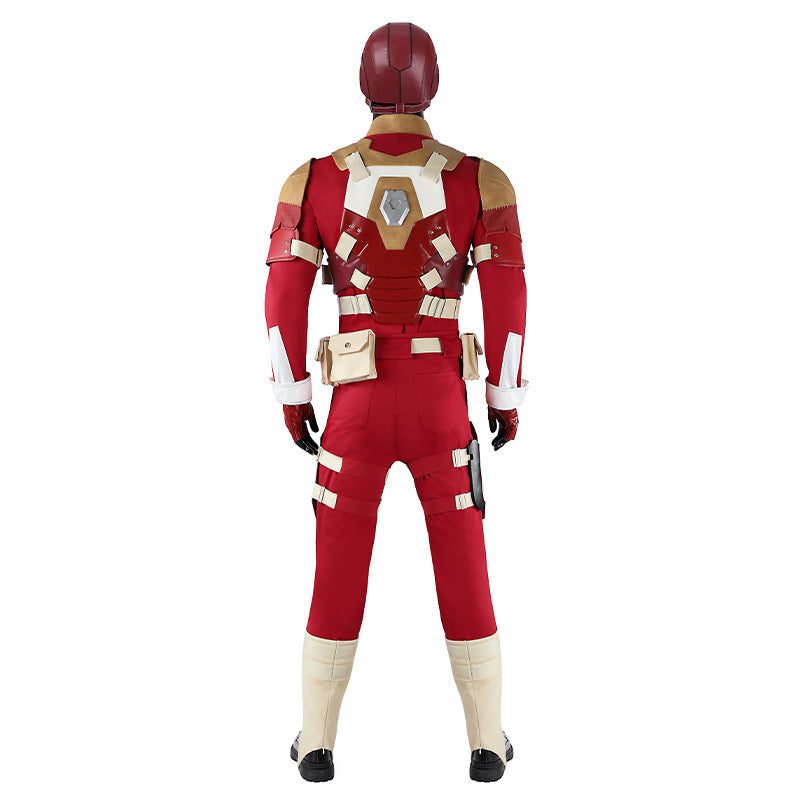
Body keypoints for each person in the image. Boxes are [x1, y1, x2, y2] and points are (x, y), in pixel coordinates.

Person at [264, 22, 528, 782]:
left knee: (337, 565)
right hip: (441, 399)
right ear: (433, 84)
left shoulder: (310, 181)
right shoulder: (483, 182)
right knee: (464, 560)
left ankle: (318, 743)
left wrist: (293, 397)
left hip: (354, 403)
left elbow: (281, 301)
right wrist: (504, 398)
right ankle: (486, 742)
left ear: (363, 83)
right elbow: (509, 304)